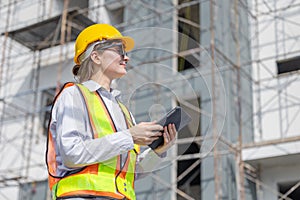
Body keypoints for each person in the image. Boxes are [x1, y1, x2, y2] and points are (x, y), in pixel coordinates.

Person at [46, 24, 177, 200]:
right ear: (96, 56)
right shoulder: (74, 95)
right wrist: (129, 137)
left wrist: (158, 151)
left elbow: (131, 171)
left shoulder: (123, 111)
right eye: (119, 50)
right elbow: (72, 153)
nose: (127, 58)